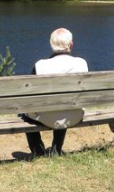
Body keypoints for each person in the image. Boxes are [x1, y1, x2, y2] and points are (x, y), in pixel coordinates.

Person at [22, 28, 88, 157]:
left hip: (46, 117)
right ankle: (56, 149)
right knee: (64, 105)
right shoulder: (81, 63)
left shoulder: (40, 65)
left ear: (51, 45)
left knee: (25, 112)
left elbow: (28, 94)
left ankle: (38, 150)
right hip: (75, 115)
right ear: (71, 44)